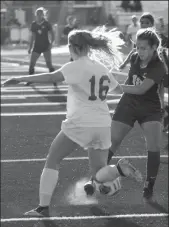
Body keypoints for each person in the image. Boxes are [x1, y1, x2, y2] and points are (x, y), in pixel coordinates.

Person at [2, 28, 142, 217]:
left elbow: (52, 77)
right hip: (102, 124)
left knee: (53, 159)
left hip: (80, 124)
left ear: (71, 47)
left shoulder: (74, 66)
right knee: (98, 172)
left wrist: (20, 79)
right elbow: (118, 90)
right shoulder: (101, 68)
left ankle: (43, 208)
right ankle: (118, 169)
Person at [84, 28, 168, 200]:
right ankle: (94, 179)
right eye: (137, 47)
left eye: (144, 48)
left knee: (154, 147)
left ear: (154, 48)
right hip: (128, 103)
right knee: (111, 142)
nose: (139, 51)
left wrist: (114, 87)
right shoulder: (135, 57)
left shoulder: (159, 66)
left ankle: (149, 183)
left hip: (150, 107)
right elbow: (131, 82)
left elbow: (141, 88)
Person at [27, 7, 55, 86]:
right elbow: (32, 37)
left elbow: (52, 34)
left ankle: (54, 80)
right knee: (32, 64)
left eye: (41, 14)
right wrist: (30, 47)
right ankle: (30, 79)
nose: (39, 15)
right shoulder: (34, 24)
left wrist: (51, 44)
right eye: (38, 14)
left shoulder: (46, 23)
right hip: (37, 46)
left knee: (49, 64)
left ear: (43, 14)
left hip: (46, 46)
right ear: (36, 15)